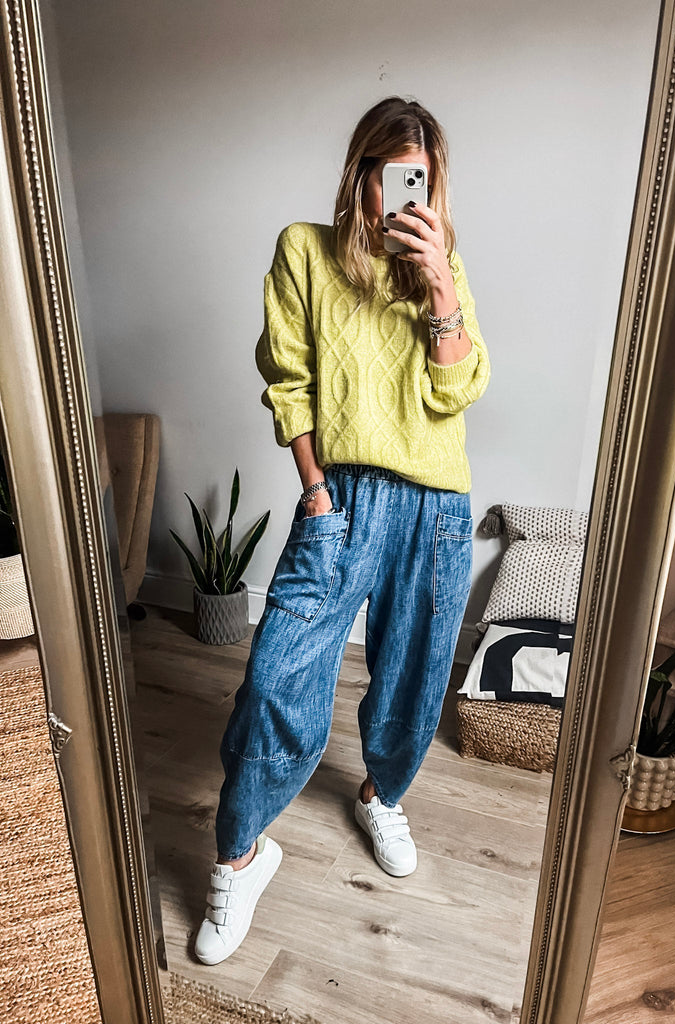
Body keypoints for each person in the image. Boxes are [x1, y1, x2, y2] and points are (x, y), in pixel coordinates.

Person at [194, 96, 490, 965]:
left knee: (412, 679)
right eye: (392, 176)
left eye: (421, 182)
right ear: (360, 174)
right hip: (343, 500)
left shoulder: (443, 265)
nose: (404, 196)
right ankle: (239, 857)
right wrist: (318, 494)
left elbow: (458, 391)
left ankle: (380, 795)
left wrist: (439, 287)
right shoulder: (303, 251)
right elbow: (288, 383)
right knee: (275, 676)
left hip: (436, 507)